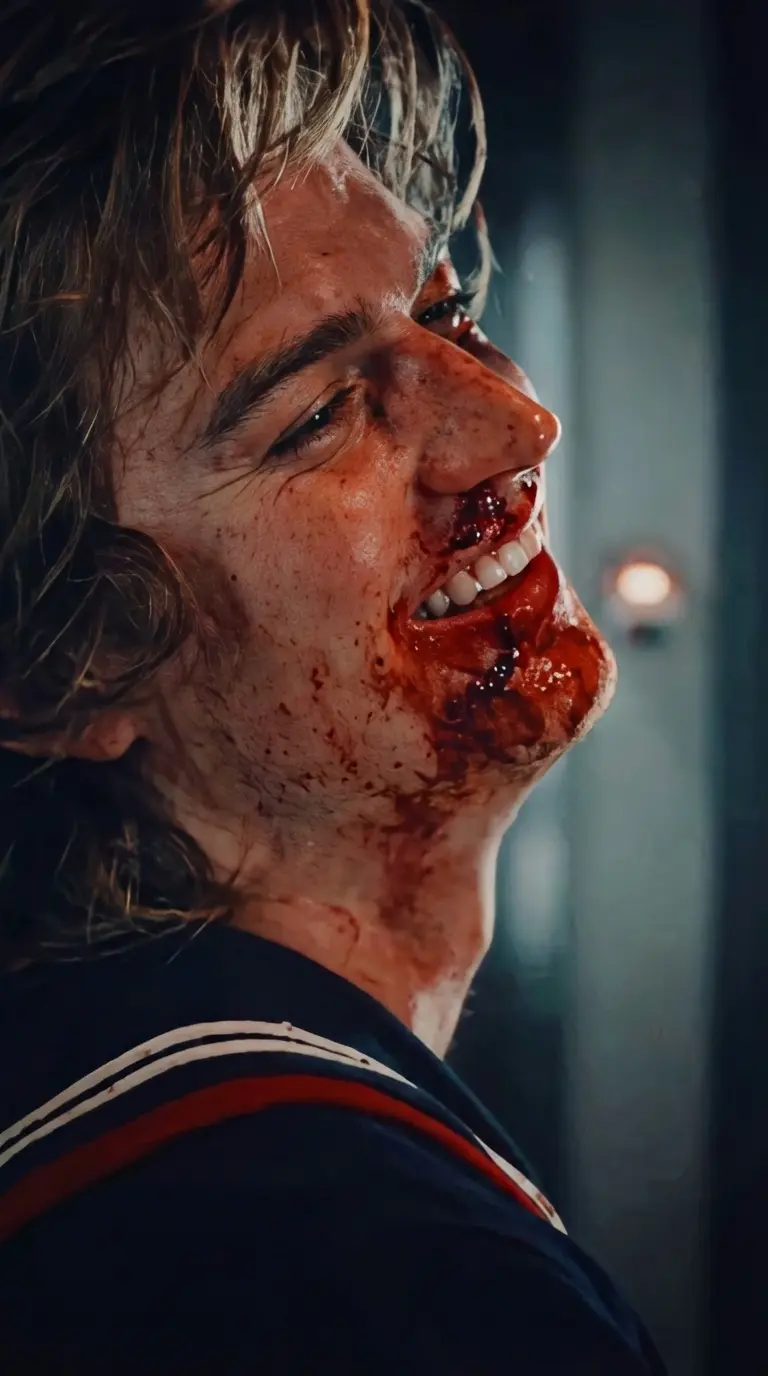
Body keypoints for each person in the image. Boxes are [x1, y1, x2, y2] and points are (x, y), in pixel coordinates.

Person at [0, 2, 664, 1371]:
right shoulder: (365, 1274)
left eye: (448, 314)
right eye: (314, 414)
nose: (518, 423)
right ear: (63, 659)